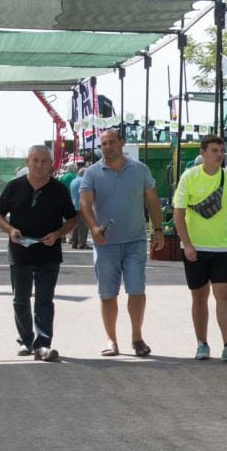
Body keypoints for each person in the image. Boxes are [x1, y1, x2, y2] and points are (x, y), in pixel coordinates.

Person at [79, 129, 164, 357]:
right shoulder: (92, 173)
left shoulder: (140, 170)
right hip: (105, 244)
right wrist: (94, 228)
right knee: (108, 294)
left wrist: (158, 230)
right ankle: (111, 340)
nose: (107, 146)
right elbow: (85, 204)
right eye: (103, 143)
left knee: (136, 291)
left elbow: (153, 200)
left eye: (111, 142)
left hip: (135, 241)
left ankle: (137, 338)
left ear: (121, 143)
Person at [0, 145, 77, 362]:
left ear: (51, 164)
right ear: (28, 162)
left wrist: (57, 234)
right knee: (20, 299)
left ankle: (43, 344)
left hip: (48, 253)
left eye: (44, 161)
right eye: (35, 160)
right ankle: (25, 340)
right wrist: (10, 230)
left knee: (44, 300)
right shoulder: (14, 187)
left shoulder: (59, 189)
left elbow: (73, 220)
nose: (39, 165)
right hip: (20, 252)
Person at [173, 135, 227, 361]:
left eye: (222, 151)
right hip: (196, 247)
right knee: (199, 296)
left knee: (224, 293)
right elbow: (179, 213)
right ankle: (202, 343)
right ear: (202, 153)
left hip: (222, 246)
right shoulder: (189, 177)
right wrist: (187, 244)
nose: (219, 155)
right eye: (214, 150)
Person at [69, 166, 88, 249]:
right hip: (82, 206)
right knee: (83, 227)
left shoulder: (73, 181)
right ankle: (82, 243)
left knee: (75, 226)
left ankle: (74, 243)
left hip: (73, 205)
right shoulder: (84, 181)